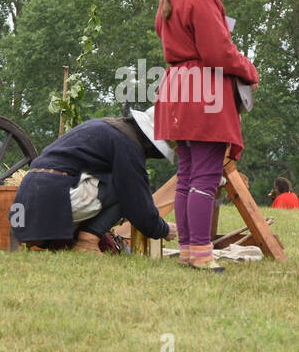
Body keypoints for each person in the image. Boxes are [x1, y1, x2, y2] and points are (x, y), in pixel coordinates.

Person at [153, 0, 257, 273]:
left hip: (176, 88)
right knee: (206, 176)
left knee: (187, 173)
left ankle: (187, 251)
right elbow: (219, 52)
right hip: (203, 90)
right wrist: (248, 70)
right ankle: (200, 254)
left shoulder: (170, 0)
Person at [12, 108, 178, 253]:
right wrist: (163, 229)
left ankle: (43, 238)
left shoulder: (105, 128)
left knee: (122, 184)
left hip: (27, 202)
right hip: (55, 200)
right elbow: (139, 205)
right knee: (126, 189)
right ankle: (87, 242)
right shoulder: (129, 145)